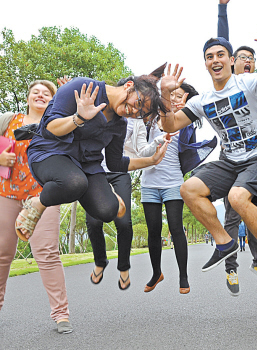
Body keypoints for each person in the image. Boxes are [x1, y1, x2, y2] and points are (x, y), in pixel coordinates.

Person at [160, 21, 257, 285]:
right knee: (188, 189)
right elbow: (170, 124)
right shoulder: (202, 100)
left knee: (237, 196)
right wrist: (166, 95)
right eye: (209, 57)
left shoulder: (250, 83)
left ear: (231, 60)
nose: (215, 60)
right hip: (230, 162)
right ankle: (224, 242)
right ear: (205, 64)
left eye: (220, 55)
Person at [15, 73, 171, 295]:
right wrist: (78, 117)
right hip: (51, 153)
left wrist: (151, 160)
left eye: (140, 113)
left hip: (87, 166)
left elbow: (116, 162)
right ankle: (37, 203)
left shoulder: (120, 125)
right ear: (129, 86)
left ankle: (106, 195)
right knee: (74, 183)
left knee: (107, 211)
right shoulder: (82, 87)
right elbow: (50, 128)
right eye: (138, 104)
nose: (134, 111)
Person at [86, 65, 169, 291]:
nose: (133, 109)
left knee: (123, 221)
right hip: (95, 172)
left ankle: (123, 267)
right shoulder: (104, 108)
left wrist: (157, 143)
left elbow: (141, 150)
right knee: (93, 222)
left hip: (119, 171)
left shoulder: (135, 120)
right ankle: (100, 261)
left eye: (139, 107)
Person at [0, 80, 72, 334]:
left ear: (53, 99)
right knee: (2, 254)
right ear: (28, 96)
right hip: (7, 193)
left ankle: (61, 314)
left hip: (43, 195)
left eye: (47, 93)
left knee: (47, 253)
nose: (40, 95)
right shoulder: (9, 121)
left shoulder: (58, 122)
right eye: (35, 92)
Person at [217, 0, 257, 294]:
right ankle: (230, 270)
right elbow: (221, 42)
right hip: (231, 159)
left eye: (251, 57)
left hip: (255, 159)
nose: (247, 60)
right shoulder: (225, 81)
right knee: (231, 215)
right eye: (241, 57)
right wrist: (222, 8)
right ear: (230, 62)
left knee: (252, 208)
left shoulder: (256, 86)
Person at [141, 81, 215, 295]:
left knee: (176, 227)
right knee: (153, 231)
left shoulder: (184, 121)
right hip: (149, 182)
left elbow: (187, 147)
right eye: (171, 94)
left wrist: (183, 112)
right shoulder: (151, 118)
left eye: (179, 95)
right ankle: (157, 273)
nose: (174, 98)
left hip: (173, 182)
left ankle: (183, 275)